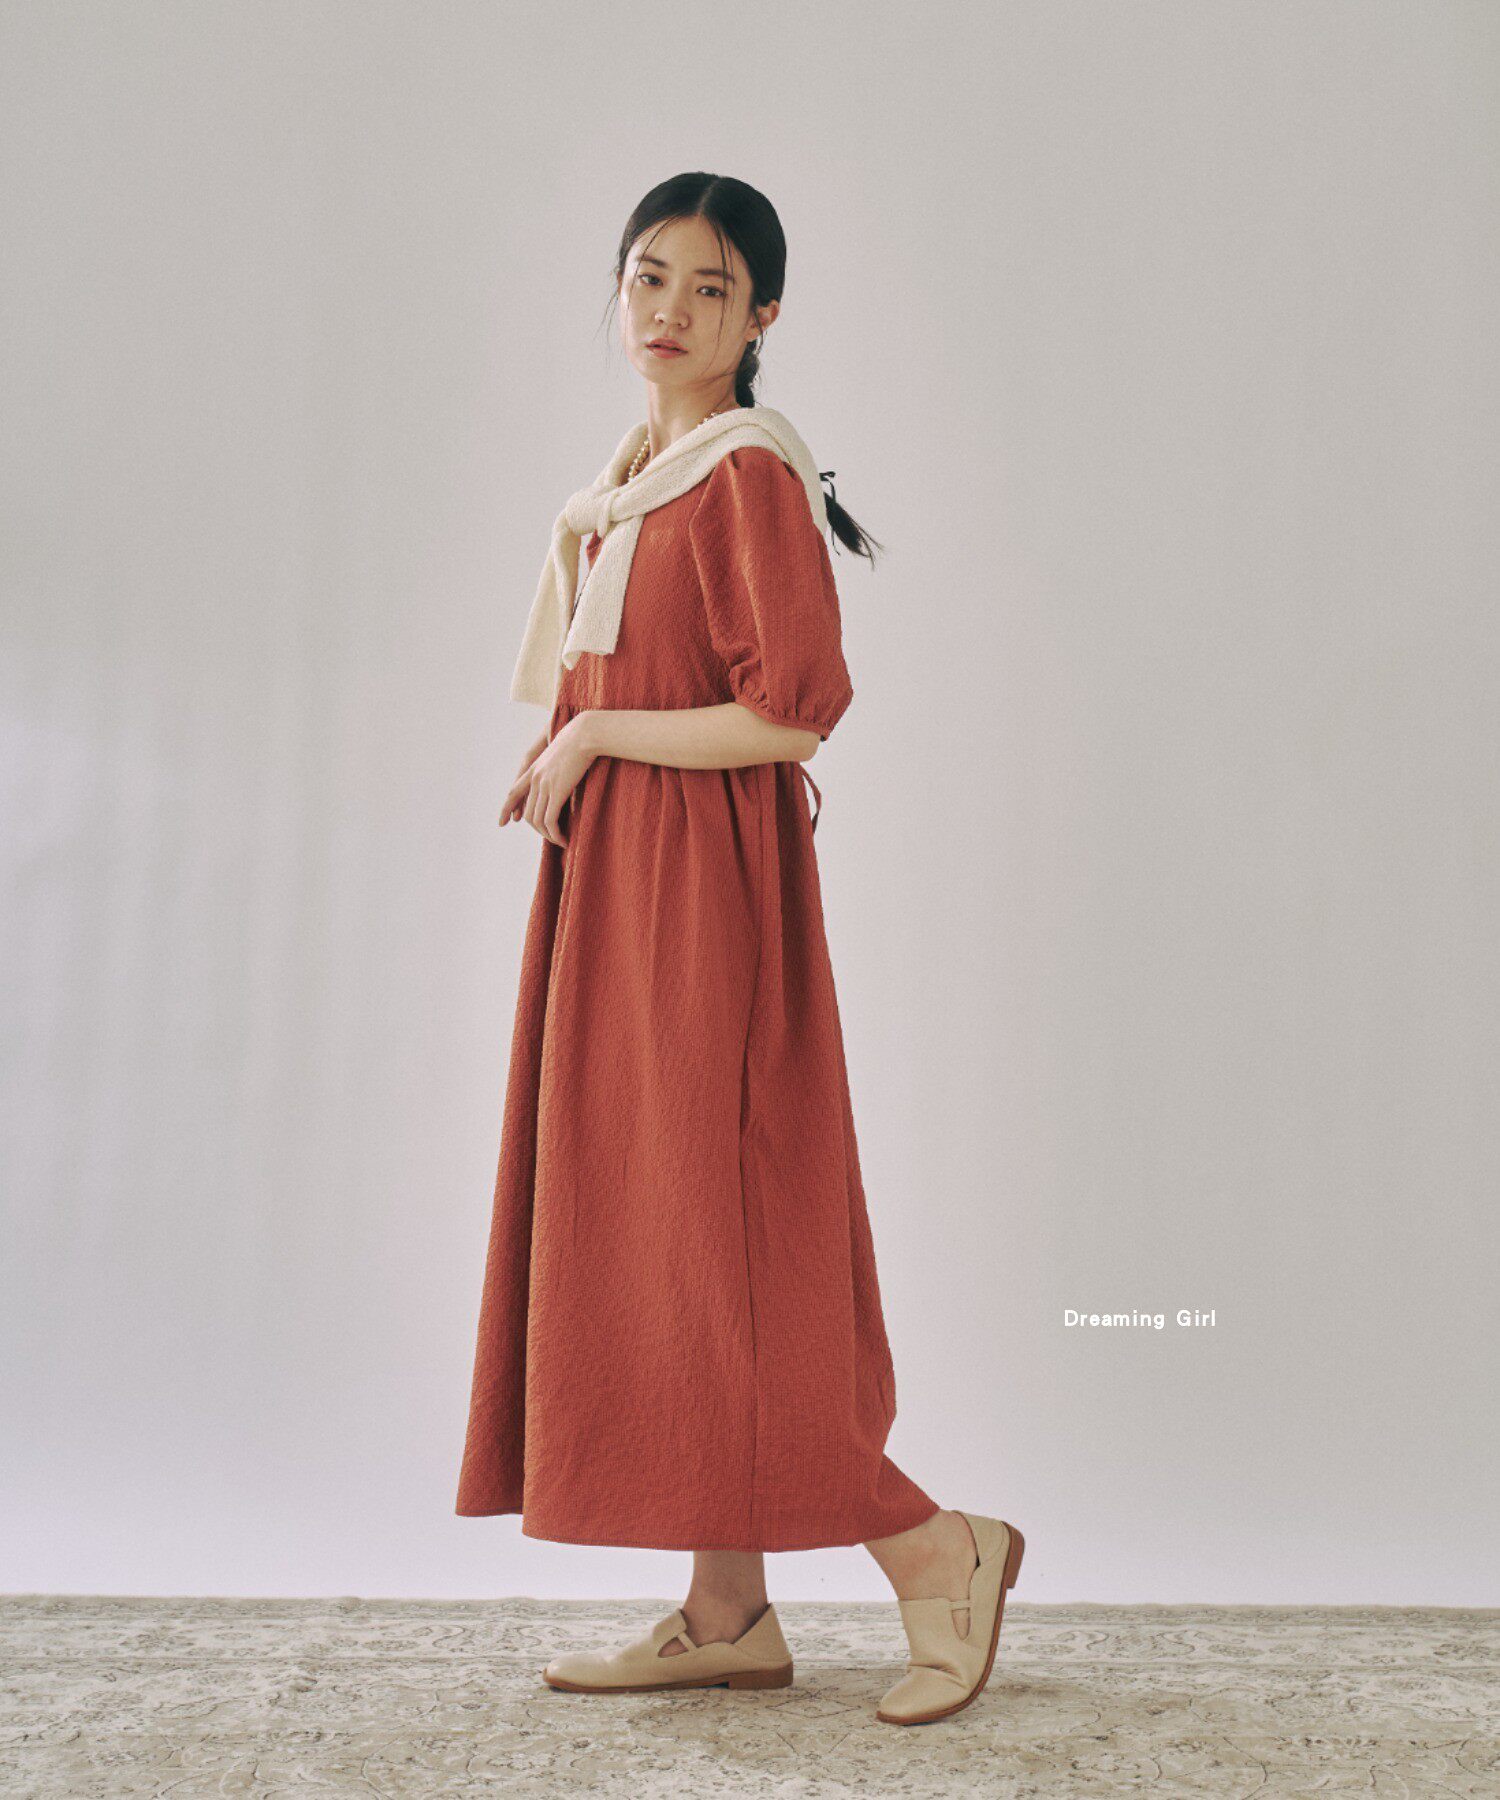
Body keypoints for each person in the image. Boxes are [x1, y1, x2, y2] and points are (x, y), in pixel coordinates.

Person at [455, 171, 1024, 1727]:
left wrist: (594, 740)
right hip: (624, 888)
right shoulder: (632, 481)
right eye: (650, 277)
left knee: (720, 1241)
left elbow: (795, 712)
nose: (671, 311)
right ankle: (727, 1612)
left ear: (762, 315)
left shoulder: (745, 477)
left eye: (711, 288)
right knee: (659, 1233)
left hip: (704, 898)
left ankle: (939, 1550)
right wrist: (575, 752)